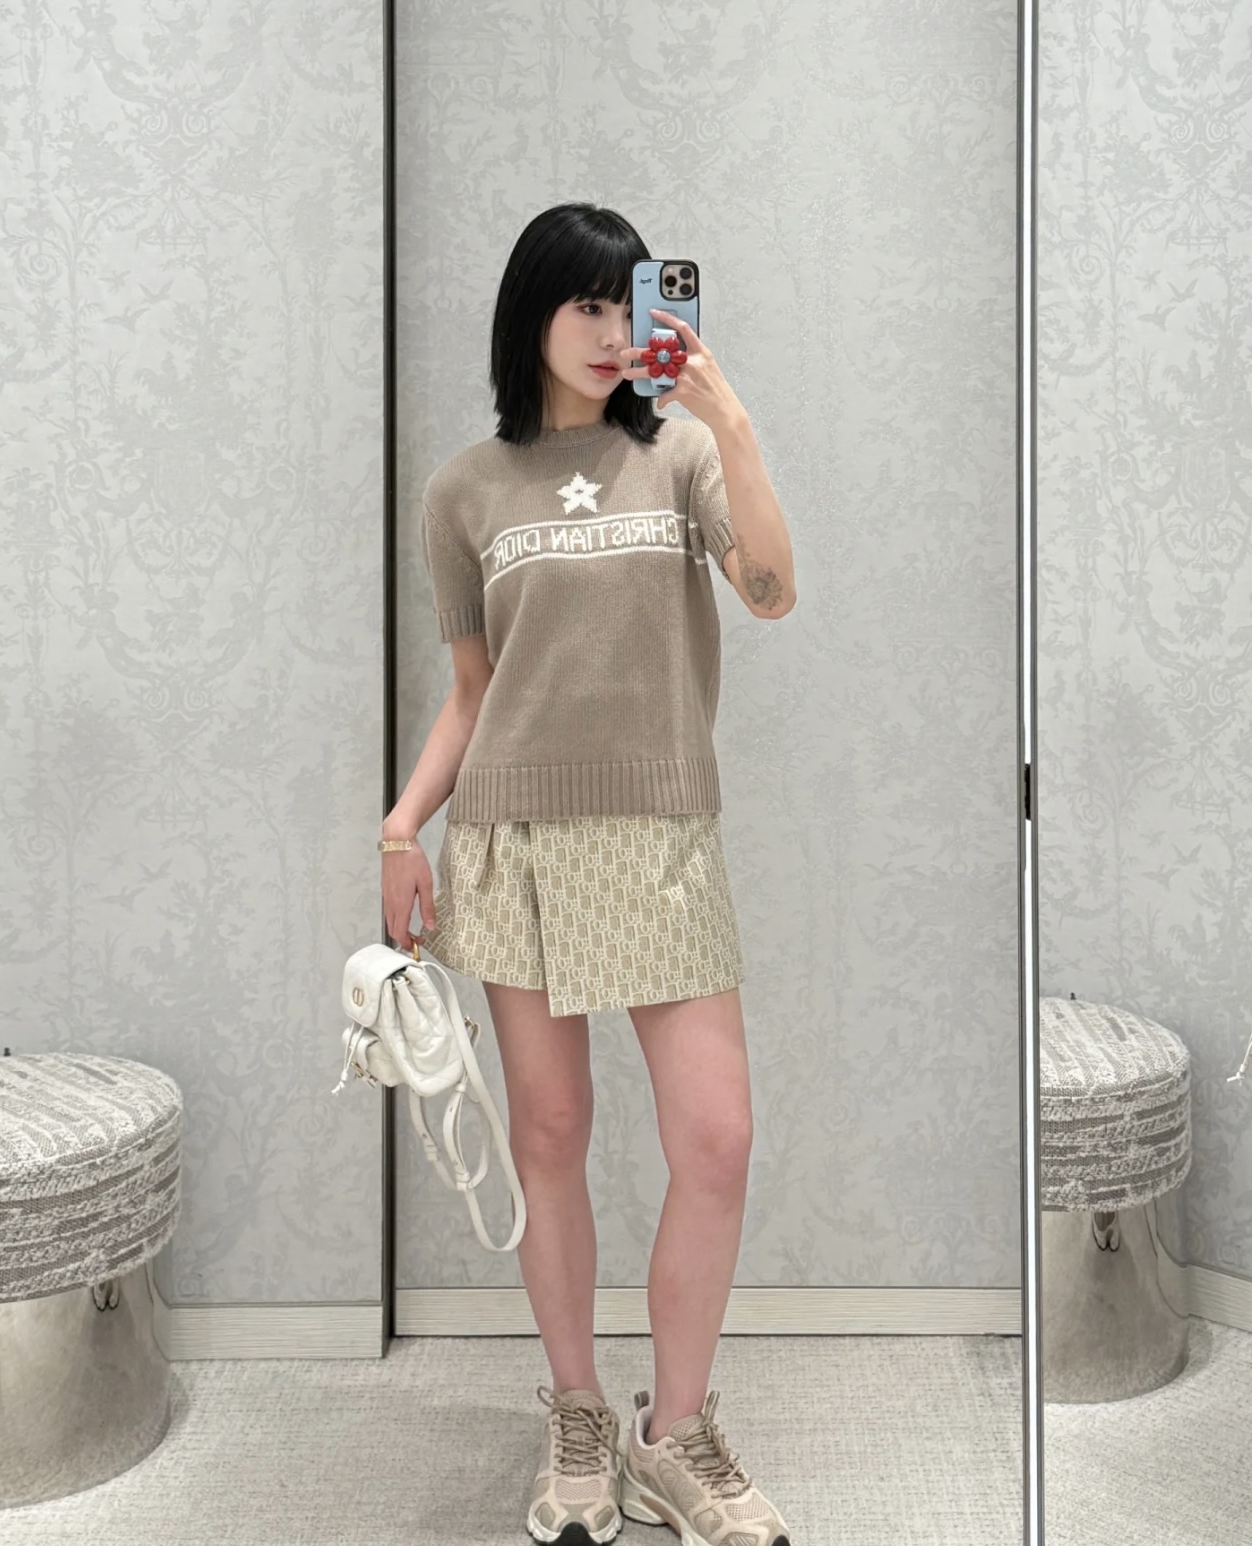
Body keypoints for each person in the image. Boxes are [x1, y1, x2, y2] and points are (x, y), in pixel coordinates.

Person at [381, 203, 797, 1546]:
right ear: (535, 315)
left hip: (661, 835)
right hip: (514, 842)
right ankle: (578, 1413)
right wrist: (401, 829)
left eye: (633, 305)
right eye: (589, 307)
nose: (617, 333)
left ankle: (674, 1435)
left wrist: (730, 419)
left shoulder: (680, 453)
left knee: (716, 1138)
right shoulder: (463, 489)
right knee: (550, 1135)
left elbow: (772, 591)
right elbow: (473, 692)